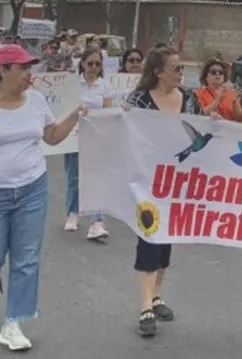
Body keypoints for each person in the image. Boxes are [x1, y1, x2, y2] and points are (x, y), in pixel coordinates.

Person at [0, 44, 87, 350]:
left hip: (31, 190)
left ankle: (13, 323)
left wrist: (76, 116)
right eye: (22, 68)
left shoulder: (36, 101)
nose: (29, 74)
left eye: (29, 68)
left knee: (26, 260)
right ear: (3, 71)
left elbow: (51, 136)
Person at [124, 46, 202, 338]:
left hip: (178, 183)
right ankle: (145, 306)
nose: (181, 73)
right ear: (158, 72)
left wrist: (216, 126)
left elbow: (201, 131)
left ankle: (156, 296)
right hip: (147, 181)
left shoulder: (190, 100)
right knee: (148, 237)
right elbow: (125, 130)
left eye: (182, 68)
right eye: (176, 68)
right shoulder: (140, 100)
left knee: (166, 239)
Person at [64, 47, 113, 240]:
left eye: (97, 64)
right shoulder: (74, 84)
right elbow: (65, 109)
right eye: (90, 63)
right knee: (75, 177)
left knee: (97, 178)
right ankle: (73, 213)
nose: (93, 67)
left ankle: (97, 220)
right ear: (82, 63)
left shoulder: (105, 86)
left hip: (96, 137)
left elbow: (108, 113)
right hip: (74, 136)